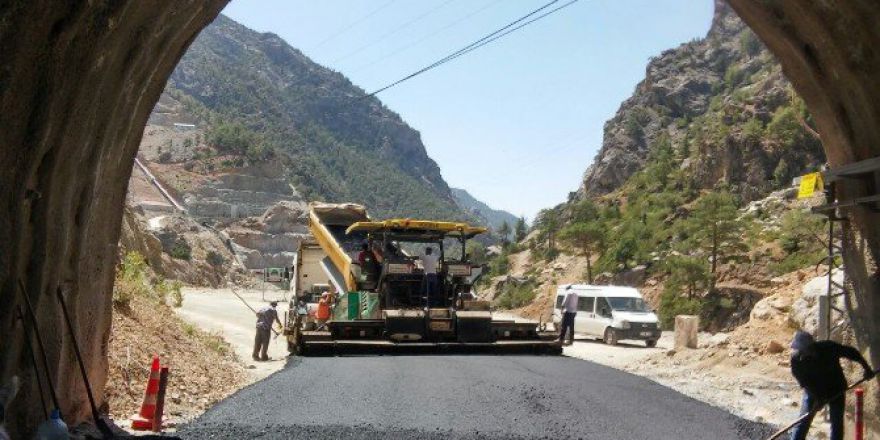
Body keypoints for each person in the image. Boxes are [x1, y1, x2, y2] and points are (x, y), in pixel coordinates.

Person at [789, 331, 875, 440]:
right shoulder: (796, 361)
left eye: (803, 349)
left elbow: (852, 353)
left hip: (836, 389)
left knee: (836, 423)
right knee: (803, 422)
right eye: (799, 350)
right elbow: (805, 383)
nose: (801, 352)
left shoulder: (829, 348)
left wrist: (867, 368)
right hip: (813, 391)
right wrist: (818, 399)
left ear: (811, 346)